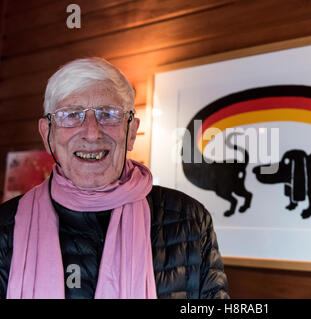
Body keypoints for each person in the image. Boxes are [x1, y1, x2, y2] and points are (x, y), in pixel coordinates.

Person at [0, 57, 229, 299]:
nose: (91, 132)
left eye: (108, 114)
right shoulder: (5, 226)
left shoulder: (190, 219)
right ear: (48, 135)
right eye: (71, 115)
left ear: (131, 132)